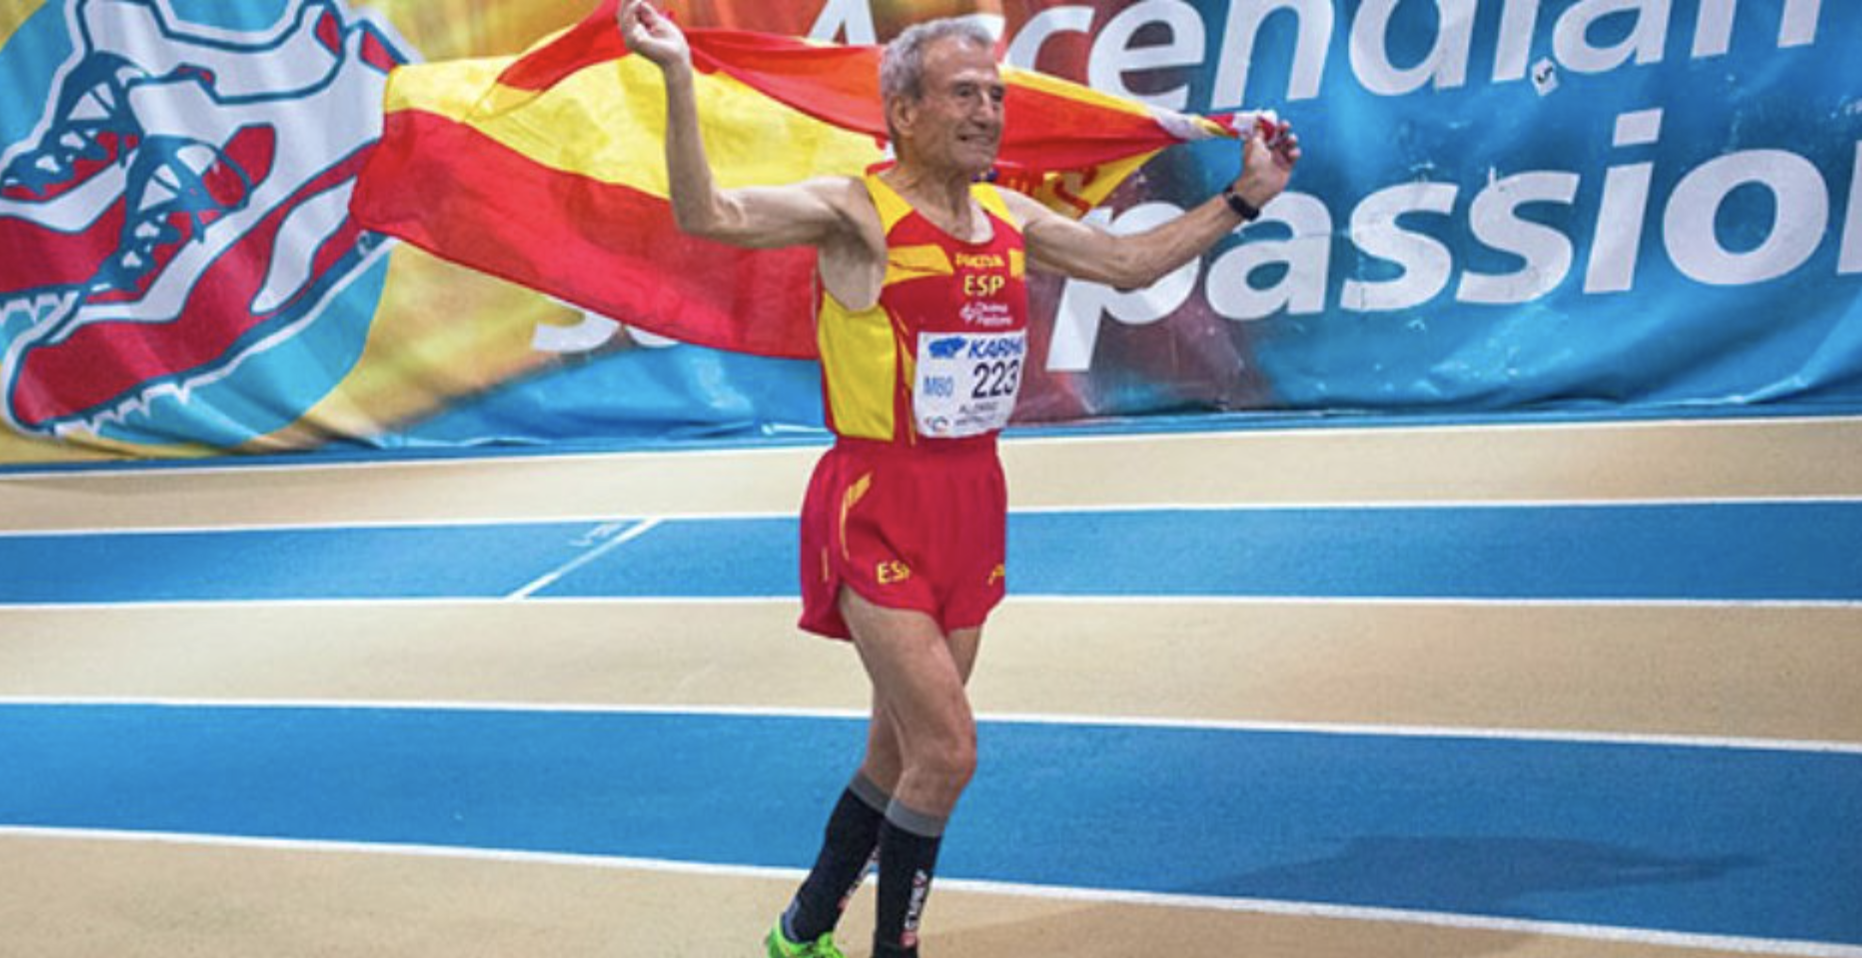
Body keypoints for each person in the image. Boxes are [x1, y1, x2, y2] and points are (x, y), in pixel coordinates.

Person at [617, 3, 1300, 955]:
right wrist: (678, 77)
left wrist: (1245, 198)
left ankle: (799, 933)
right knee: (949, 751)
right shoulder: (855, 211)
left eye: (996, 97)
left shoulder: (1010, 217)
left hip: (973, 504)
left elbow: (1128, 259)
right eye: (964, 95)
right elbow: (710, 214)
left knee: (897, 754)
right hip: (875, 504)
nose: (988, 113)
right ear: (902, 111)